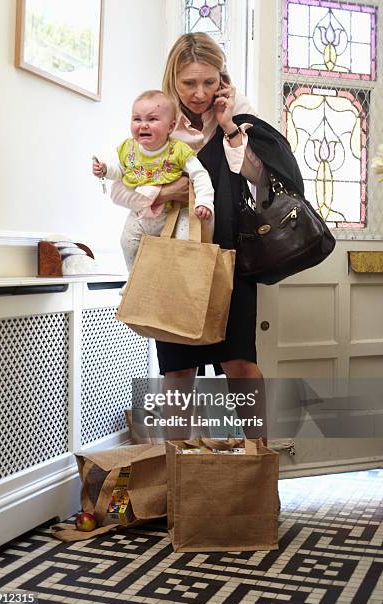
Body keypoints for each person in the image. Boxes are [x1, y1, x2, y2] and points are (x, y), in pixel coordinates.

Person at [110, 32, 268, 390]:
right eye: (189, 83)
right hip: (172, 251)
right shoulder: (158, 115)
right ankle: (177, 450)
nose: (200, 93)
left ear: (222, 79)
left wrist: (228, 125)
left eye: (209, 82)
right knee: (178, 371)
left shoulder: (238, 108)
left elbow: (260, 177)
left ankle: (256, 447)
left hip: (230, 249)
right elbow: (129, 187)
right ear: (172, 79)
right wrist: (168, 192)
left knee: (240, 362)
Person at [92, 89, 214, 271]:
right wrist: (105, 170)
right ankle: (134, 278)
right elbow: (119, 170)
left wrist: (204, 202)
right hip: (141, 213)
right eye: (137, 119)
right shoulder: (128, 149)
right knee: (128, 242)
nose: (143, 125)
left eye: (152, 119)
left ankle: (180, 281)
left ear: (171, 127)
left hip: (174, 211)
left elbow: (200, 175)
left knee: (184, 242)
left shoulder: (178, 150)